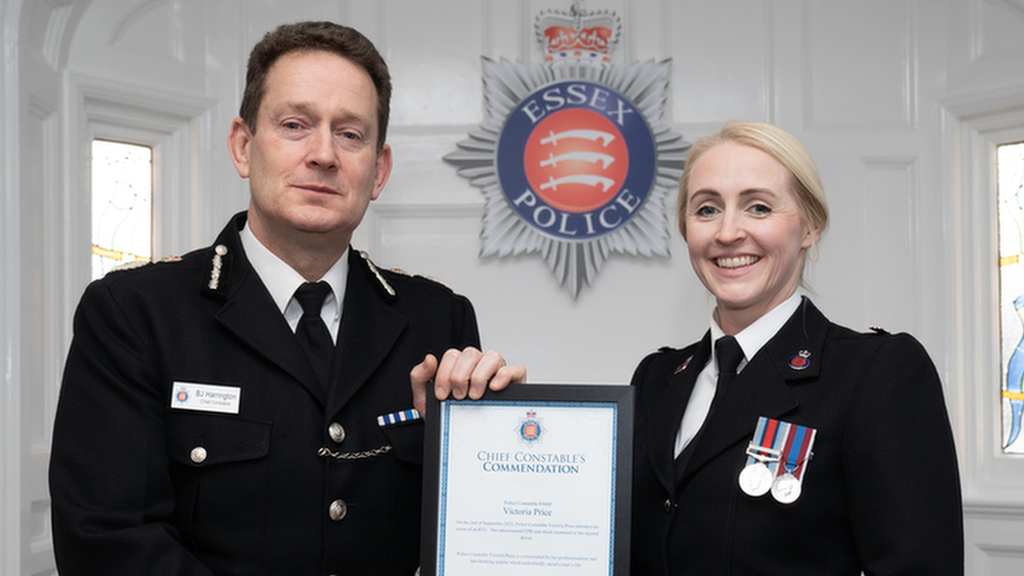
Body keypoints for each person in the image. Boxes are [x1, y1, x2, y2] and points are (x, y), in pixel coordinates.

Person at [49, 21, 524, 576]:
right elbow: (107, 543)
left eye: (350, 134)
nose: (324, 154)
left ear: (379, 170)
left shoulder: (437, 319)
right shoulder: (135, 313)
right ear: (244, 146)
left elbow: (477, 538)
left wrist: (498, 440)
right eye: (295, 125)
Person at [629, 121, 963, 575]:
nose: (727, 233)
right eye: (706, 209)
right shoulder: (656, 377)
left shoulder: (876, 373)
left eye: (759, 207)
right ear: (686, 230)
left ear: (811, 226)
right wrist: (507, 413)